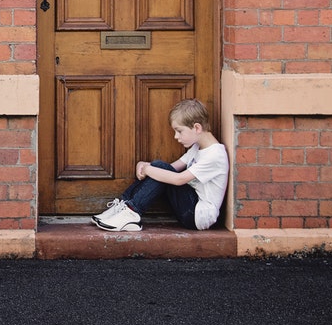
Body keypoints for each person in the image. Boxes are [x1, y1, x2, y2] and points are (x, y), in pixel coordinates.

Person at [92, 98, 229, 232]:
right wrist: (145, 165)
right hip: (189, 206)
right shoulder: (197, 148)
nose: (176, 136)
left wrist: (148, 169)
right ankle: (123, 206)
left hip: (198, 215)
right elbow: (171, 168)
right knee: (158, 166)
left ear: (197, 127)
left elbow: (178, 179)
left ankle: (131, 214)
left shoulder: (215, 155)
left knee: (159, 167)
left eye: (179, 131)